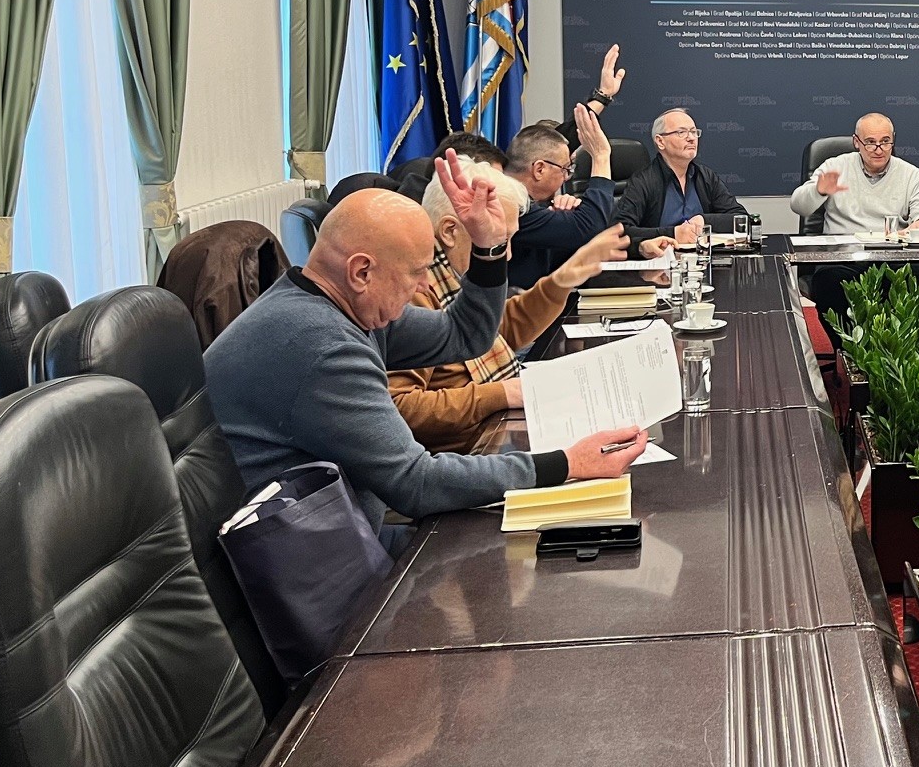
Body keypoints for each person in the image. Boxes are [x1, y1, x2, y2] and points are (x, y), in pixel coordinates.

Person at [205, 157, 648, 542]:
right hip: (311, 560)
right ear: (361, 272)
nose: (424, 285)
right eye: (416, 272)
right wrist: (566, 463)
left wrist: (488, 251)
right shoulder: (323, 346)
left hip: (339, 527)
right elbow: (417, 483)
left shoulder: (339, 304)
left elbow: (465, 335)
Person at [389, 159, 665, 454]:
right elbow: (400, 409)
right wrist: (500, 394)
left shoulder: (451, 276)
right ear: (450, 231)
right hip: (469, 453)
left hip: (498, 430)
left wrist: (561, 281)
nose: (507, 255)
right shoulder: (413, 291)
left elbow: (492, 333)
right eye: (499, 241)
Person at [790, 112, 919, 346]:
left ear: (893, 140)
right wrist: (818, 190)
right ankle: (851, 352)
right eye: (870, 142)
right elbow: (798, 205)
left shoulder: (910, 174)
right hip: (842, 259)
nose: (878, 149)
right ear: (856, 142)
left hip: (892, 259)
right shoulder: (835, 166)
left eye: (885, 142)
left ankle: (905, 353)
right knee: (829, 284)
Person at [505, 104, 654, 289]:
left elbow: (576, 245)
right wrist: (601, 156)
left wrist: (563, 218)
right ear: (539, 169)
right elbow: (591, 227)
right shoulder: (513, 206)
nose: (567, 177)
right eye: (565, 169)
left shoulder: (531, 203)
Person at [612, 107, 744, 245]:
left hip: (701, 256)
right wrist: (673, 234)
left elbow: (742, 219)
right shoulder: (643, 181)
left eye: (694, 132)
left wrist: (704, 220)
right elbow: (618, 232)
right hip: (661, 257)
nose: (691, 138)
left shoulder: (705, 177)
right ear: (660, 141)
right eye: (681, 132)